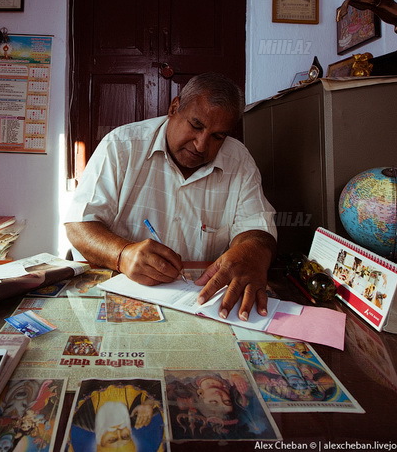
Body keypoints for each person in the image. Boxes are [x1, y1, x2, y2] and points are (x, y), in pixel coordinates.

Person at [64, 72, 276, 321]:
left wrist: (251, 253)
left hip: (199, 304)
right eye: (196, 126)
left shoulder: (238, 160)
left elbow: (257, 230)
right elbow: (79, 226)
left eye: (218, 136)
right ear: (174, 107)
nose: (201, 145)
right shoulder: (122, 145)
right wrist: (122, 255)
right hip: (120, 298)